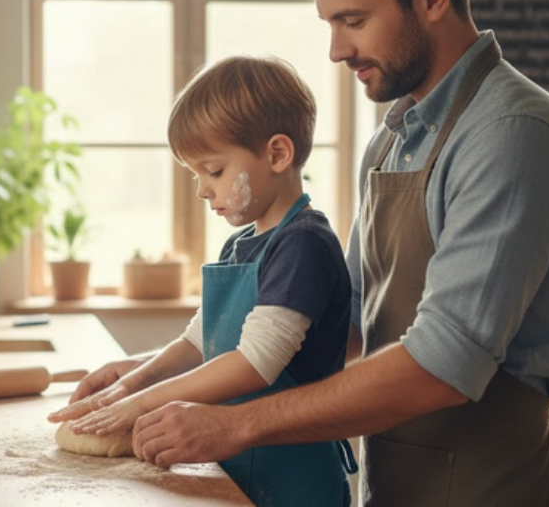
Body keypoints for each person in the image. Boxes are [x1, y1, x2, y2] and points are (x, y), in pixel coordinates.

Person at [87, 0, 549, 506]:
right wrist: (148, 373)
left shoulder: (512, 134)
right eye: (330, 23)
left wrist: (235, 424)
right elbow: (342, 321)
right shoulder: (392, 141)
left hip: (492, 487)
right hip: (399, 480)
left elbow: (443, 363)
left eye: (353, 20)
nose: (335, 50)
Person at [49, 55, 357, 506]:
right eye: (194, 174)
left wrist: (143, 403)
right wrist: (130, 382)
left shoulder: (303, 245)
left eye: (214, 171)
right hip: (235, 467)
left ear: (278, 154)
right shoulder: (239, 245)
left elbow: (254, 362)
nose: (202, 190)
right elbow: (198, 343)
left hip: (294, 479)